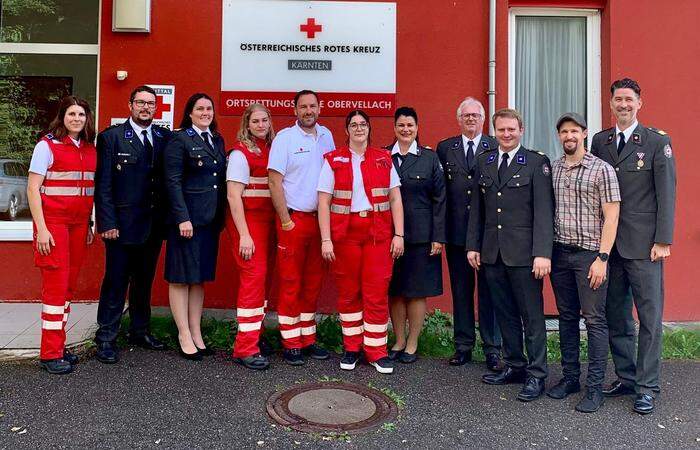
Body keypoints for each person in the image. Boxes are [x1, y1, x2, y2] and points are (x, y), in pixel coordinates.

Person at [591, 78, 676, 415]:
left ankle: (647, 386)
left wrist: (663, 240)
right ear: (610, 104)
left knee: (650, 317)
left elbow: (666, 192)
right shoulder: (601, 141)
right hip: (609, 247)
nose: (623, 105)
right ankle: (626, 376)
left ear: (639, 103)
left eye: (629, 99)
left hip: (644, 247)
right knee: (616, 315)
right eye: (618, 100)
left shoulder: (656, 141)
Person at [466, 108, 554, 402]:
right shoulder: (485, 162)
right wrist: (473, 245)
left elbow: (544, 212)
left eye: (511, 130)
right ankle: (515, 365)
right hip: (493, 252)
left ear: (521, 130)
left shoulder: (535, 163)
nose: (506, 134)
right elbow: (477, 210)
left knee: (531, 316)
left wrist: (543, 253)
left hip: (525, 256)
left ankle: (538, 373)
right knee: (504, 314)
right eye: (501, 130)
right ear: (494, 131)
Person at [317, 110, 405, 374]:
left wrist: (398, 234)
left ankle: (376, 351)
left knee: (376, 292)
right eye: (353, 125)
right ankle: (352, 348)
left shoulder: (383, 158)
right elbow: (323, 201)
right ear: (346, 130)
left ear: (369, 128)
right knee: (348, 292)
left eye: (363, 124)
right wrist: (326, 239)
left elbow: (395, 199)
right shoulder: (333, 160)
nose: (358, 128)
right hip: (345, 235)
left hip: (378, 234)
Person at [548, 112, 620, 413]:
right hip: (560, 253)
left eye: (574, 131)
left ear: (584, 134)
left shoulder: (602, 170)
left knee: (594, 320)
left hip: (590, 255)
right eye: (564, 132)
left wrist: (602, 258)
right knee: (566, 317)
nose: (569, 137)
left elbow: (612, 215)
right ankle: (570, 378)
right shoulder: (552, 168)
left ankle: (594, 387)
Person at [93, 85, 171, 363]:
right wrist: (107, 222)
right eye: (140, 103)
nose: (146, 108)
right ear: (130, 105)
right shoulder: (111, 138)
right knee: (115, 281)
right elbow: (102, 185)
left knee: (143, 281)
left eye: (151, 103)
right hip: (121, 226)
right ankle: (105, 337)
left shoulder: (163, 137)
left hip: (152, 225)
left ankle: (140, 330)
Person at [27, 96, 97, 374]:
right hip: (53, 225)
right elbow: (33, 190)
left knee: (68, 287)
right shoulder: (46, 146)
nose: (76, 118)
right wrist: (41, 229)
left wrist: (90, 224)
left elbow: (87, 190)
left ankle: (59, 344)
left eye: (81, 114)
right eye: (71, 113)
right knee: (55, 288)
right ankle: (50, 353)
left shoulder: (90, 149)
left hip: (79, 225)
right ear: (62, 117)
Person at [268, 89, 335, 365]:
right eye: (303, 107)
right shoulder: (285, 138)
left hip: (319, 222)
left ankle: (308, 338)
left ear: (320, 108)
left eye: (313, 106)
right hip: (292, 220)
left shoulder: (327, 136)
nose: (308, 111)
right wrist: (285, 220)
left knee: (312, 283)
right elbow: (274, 182)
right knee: (291, 282)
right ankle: (290, 341)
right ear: (294, 110)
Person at [436, 97, 502, 369]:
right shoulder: (445, 148)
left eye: (476, 115)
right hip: (457, 233)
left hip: (487, 235)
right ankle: (463, 346)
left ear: (483, 119)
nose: (471, 119)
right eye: (466, 115)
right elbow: (440, 195)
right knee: (461, 292)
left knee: (489, 292)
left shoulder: (495, 146)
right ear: (459, 119)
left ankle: (492, 348)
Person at [164, 93, 227, 361]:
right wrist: (182, 217)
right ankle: (183, 334)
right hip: (187, 221)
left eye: (209, 108)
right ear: (189, 113)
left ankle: (196, 331)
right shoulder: (179, 140)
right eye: (199, 108)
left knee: (198, 277)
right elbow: (172, 181)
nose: (205, 112)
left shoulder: (217, 139)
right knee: (181, 277)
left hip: (209, 220)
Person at [387, 107, 446, 364]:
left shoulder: (429, 158)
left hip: (422, 235)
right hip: (389, 235)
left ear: (417, 127)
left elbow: (440, 199)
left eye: (410, 125)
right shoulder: (383, 156)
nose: (405, 129)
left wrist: (438, 236)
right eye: (401, 125)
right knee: (395, 290)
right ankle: (398, 340)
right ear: (395, 127)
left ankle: (412, 344)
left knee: (416, 291)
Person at [225, 103, 276, 370]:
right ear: (247, 124)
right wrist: (244, 234)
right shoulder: (240, 154)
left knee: (263, 281)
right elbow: (233, 195)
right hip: (248, 223)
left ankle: (255, 336)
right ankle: (244, 348)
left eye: (264, 120)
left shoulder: (272, 149)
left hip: (268, 223)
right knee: (253, 281)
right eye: (255, 121)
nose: (260, 125)